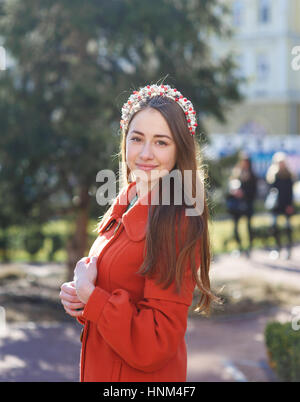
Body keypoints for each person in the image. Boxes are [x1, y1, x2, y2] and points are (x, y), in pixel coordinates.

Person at [59, 83, 219, 382]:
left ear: (179, 150)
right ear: (125, 143)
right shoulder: (128, 199)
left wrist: (91, 296)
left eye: (161, 142)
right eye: (137, 139)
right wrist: (81, 300)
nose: (146, 153)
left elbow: (155, 342)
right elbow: (119, 287)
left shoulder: (177, 221)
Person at [226, 153, 257, 256]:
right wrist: (234, 192)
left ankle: (250, 247)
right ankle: (239, 247)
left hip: (247, 204)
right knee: (235, 227)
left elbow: (254, 192)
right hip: (236, 206)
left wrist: (244, 193)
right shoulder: (236, 174)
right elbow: (229, 189)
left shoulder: (252, 175)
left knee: (248, 226)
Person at [265, 152, 295, 259]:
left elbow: (290, 192)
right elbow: (269, 191)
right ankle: (277, 248)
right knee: (274, 227)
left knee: (287, 228)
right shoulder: (272, 176)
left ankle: (289, 249)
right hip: (276, 206)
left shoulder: (288, 175)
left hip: (286, 205)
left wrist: (290, 205)